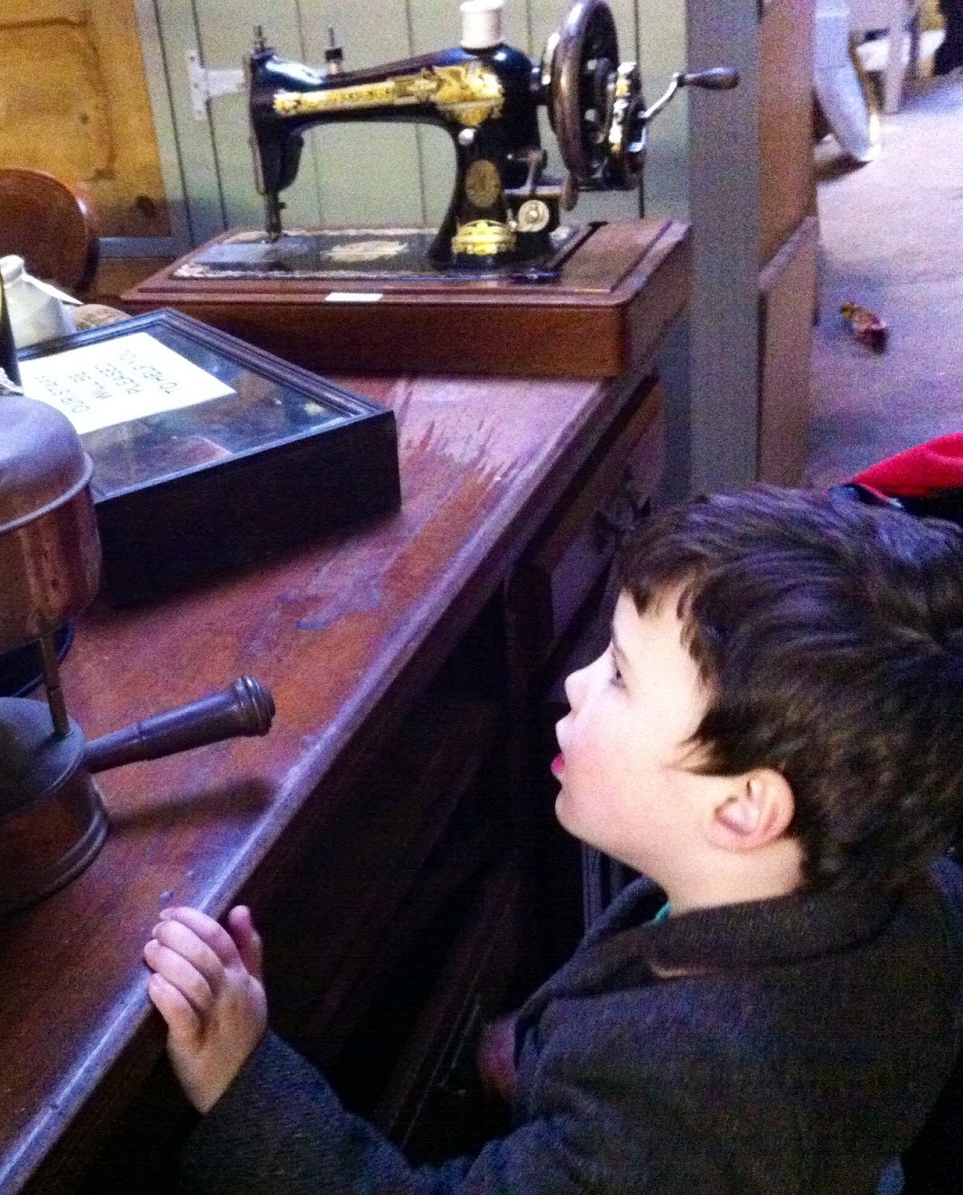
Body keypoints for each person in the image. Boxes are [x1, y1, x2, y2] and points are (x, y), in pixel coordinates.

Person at [142, 485, 963, 1193]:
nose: (576, 681)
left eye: (620, 675)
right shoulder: (915, 895)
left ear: (744, 807)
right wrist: (549, 1042)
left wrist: (244, 1081)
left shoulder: (682, 1097)